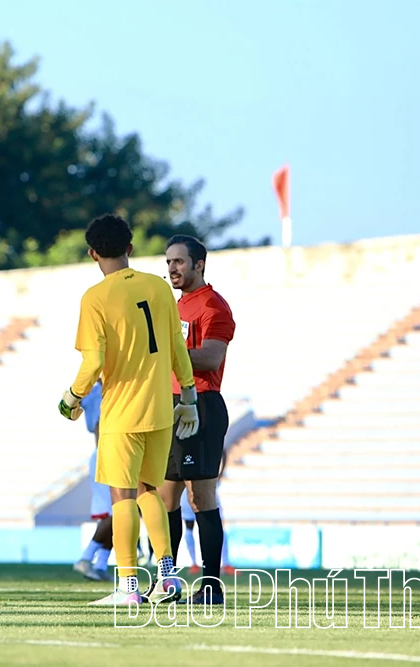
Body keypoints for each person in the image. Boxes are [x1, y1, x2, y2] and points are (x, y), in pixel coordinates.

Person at [57, 214, 199, 607]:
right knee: (149, 492)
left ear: (92, 253)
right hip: (161, 408)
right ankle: (168, 578)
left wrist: (71, 397)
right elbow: (176, 347)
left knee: (121, 497)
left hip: (121, 411)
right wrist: (188, 395)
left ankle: (128, 588)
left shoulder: (95, 298)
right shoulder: (158, 287)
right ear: (130, 248)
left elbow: (93, 361)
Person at [161, 234, 236, 605]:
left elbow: (209, 358)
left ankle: (211, 585)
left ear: (198, 264)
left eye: (179, 261)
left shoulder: (213, 306)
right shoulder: (172, 307)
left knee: (200, 495)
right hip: (170, 404)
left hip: (201, 404)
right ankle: (167, 580)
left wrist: (163, 355)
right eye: (168, 262)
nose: (172, 268)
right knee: (164, 496)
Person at [72, 380, 115, 581]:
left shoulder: (95, 391)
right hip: (107, 455)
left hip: (112, 454)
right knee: (116, 512)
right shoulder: (100, 390)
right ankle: (86, 557)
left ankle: (100, 563)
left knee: (123, 512)